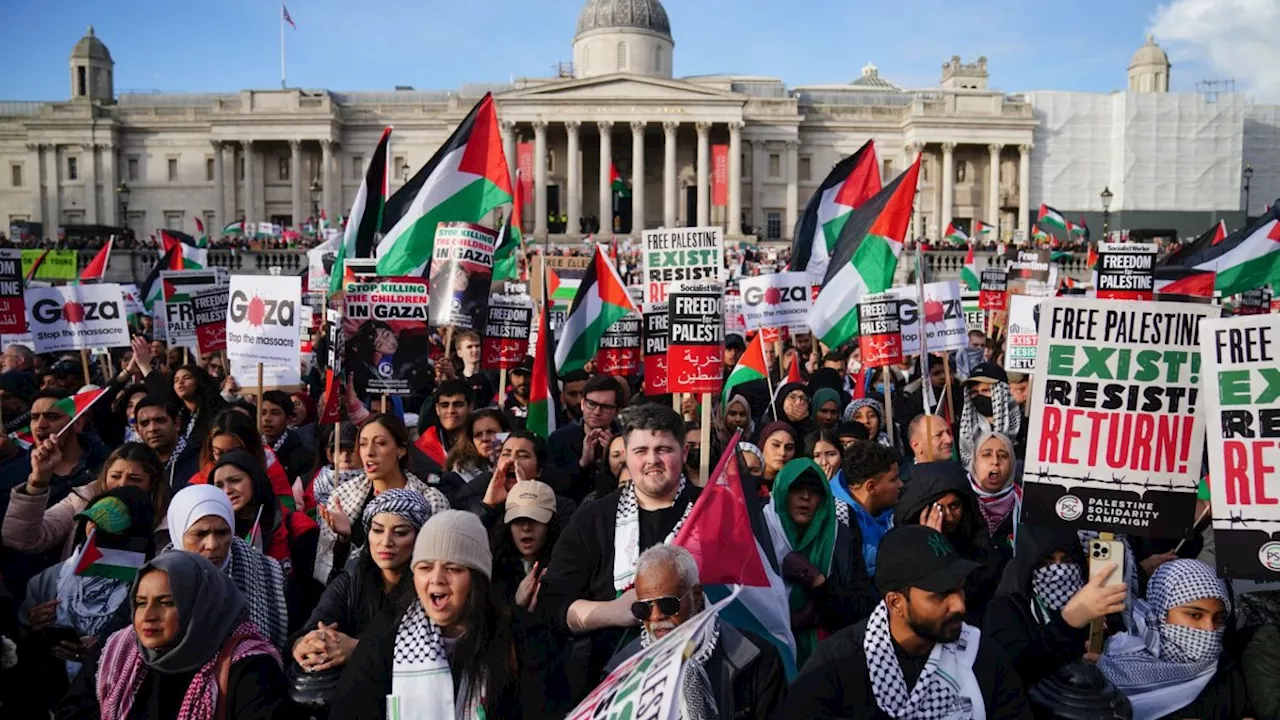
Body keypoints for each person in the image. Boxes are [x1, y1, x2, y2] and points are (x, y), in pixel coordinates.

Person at [775, 525, 1032, 719]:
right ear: (896, 602)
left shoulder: (981, 655)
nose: (959, 605)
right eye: (940, 595)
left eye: (960, 589)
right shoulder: (838, 664)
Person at [539, 403, 700, 701]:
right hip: (613, 684)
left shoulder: (712, 512)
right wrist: (610, 613)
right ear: (625, 456)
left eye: (663, 449)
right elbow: (552, 603)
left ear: (685, 453)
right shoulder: (592, 519)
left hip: (699, 675)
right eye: (641, 451)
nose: (653, 460)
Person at [334, 510, 563, 719]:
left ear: (477, 580)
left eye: (452, 568)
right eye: (425, 567)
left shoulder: (524, 637)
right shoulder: (389, 634)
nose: (436, 579)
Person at [57, 551, 287, 720]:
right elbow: (72, 711)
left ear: (198, 605)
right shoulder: (119, 650)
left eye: (166, 603)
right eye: (140, 603)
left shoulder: (248, 666)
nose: (148, 616)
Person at [606, 545, 787, 719]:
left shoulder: (755, 657)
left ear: (697, 596)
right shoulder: (621, 674)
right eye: (643, 608)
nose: (655, 617)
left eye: (668, 604)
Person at [20, 486, 157, 682]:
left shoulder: (150, 585)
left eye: (108, 527)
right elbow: (18, 644)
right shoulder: (49, 581)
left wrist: (110, 649)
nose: (94, 530)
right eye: (92, 520)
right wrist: (34, 626)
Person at [291, 489, 434, 676]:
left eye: (400, 533)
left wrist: (359, 648)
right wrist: (304, 644)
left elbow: (433, 648)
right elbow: (317, 623)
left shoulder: (430, 586)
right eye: (377, 530)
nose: (386, 542)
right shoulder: (353, 578)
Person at [1098, 559, 1251, 720]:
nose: (1210, 628)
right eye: (1195, 615)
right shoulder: (1114, 670)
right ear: (1161, 612)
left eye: (1218, 618)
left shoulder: (1227, 670)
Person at [985, 524, 1127, 689]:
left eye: (1067, 561)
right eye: (1046, 563)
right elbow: (1011, 670)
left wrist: (1104, 660)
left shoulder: (1097, 605)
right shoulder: (1006, 610)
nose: (1059, 571)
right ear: (1028, 566)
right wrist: (1067, 623)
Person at [314, 414, 450, 584]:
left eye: (380, 443)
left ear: (401, 450)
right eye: (363, 444)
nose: (369, 452)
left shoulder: (431, 501)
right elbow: (327, 571)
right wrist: (344, 539)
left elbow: (441, 563)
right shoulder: (342, 497)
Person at [772, 458, 877, 665]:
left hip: (828, 659)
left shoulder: (841, 539)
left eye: (814, 490)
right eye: (797, 489)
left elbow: (861, 608)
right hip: (775, 659)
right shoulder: (764, 536)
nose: (805, 497)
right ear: (783, 492)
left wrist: (819, 584)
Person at [166, 484, 291, 650]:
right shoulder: (158, 578)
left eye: (222, 533)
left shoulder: (269, 574)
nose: (212, 545)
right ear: (178, 534)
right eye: (200, 534)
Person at [5, 443, 167, 561]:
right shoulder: (81, 500)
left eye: (135, 479)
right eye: (115, 476)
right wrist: (38, 481)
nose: (122, 484)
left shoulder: (169, 516)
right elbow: (23, 539)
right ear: (104, 476)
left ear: (152, 484)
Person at [894, 460, 1004, 623]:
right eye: (939, 508)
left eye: (954, 506)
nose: (949, 517)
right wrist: (929, 545)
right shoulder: (899, 550)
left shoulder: (983, 548)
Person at [211, 449, 319, 581]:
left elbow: (315, 586)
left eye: (235, 480)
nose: (227, 490)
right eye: (219, 485)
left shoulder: (297, 526)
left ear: (254, 479)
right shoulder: (214, 532)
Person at [546, 374, 622, 502]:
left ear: (617, 411)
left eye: (606, 407)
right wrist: (582, 464)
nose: (597, 412)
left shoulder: (626, 440)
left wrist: (612, 458)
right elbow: (554, 486)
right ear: (582, 404)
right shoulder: (559, 439)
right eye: (591, 404)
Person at [832, 440, 901, 577]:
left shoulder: (893, 510)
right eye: (894, 480)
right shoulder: (838, 522)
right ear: (871, 487)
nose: (901, 484)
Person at [490, 480, 561, 610]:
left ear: (551, 524)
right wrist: (515, 604)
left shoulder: (565, 568)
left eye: (535, 519)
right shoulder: (492, 569)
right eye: (518, 520)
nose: (526, 527)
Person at [439, 408, 510, 504]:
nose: (484, 438)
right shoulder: (454, 478)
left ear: (506, 433)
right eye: (478, 435)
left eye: (491, 432)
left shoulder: (518, 469)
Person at [957, 363, 1021, 468]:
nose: (979, 396)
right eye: (974, 392)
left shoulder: (1023, 427)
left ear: (1001, 392)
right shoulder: (962, 429)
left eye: (986, 390)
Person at [133, 397, 201, 490]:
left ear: (177, 423)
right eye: (145, 423)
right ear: (137, 430)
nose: (152, 428)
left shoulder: (200, 459)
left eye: (160, 420)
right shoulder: (137, 464)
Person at [967, 431, 1019, 545]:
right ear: (975, 461)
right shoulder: (960, 498)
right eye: (986, 455)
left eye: (1003, 456)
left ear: (1012, 464)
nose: (995, 461)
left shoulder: (1023, 503)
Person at [414, 380, 474, 473]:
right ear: (437, 409)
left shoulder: (481, 438)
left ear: (470, 407)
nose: (450, 411)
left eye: (458, 404)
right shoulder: (423, 445)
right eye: (444, 405)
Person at [258, 390, 314, 484]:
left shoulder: (303, 456)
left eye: (275, 413)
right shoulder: (252, 449)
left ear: (288, 419)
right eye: (263, 413)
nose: (267, 419)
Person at [310, 422, 361, 510]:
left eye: (351, 451)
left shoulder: (373, 484)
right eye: (339, 451)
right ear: (331, 455)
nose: (345, 457)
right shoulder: (314, 484)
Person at [755, 421, 798, 493]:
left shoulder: (795, 485)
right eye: (776, 445)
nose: (782, 453)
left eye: (789, 447)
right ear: (762, 445)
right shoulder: (748, 480)